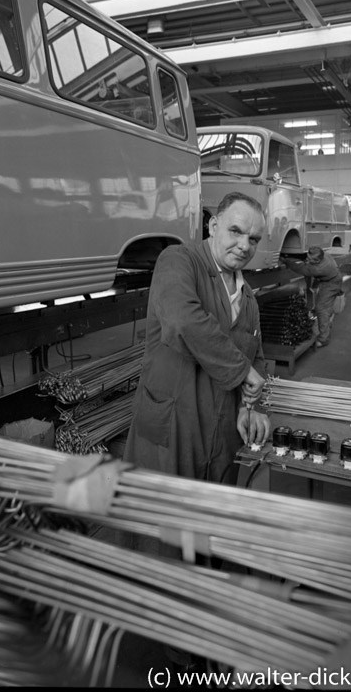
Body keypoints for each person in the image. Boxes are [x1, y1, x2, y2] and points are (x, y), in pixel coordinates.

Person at [123, 191, 271, 485]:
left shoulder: (248, 298)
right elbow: (182, 321)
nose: (244, 245)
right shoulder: (179, 261)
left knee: (207, 518)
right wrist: (241, 371)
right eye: (236, 231)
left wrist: (250, 408)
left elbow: (256, 358)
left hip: (222, 435)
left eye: (253, 239)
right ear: (213, 226)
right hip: (173, 428)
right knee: (157, 515)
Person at [283, 246, 343, 347]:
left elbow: (300, 268)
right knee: (323, 307)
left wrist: (286, 260)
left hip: (331, 284)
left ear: (317, 260)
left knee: (321, 309)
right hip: (329, 278)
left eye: (310, 260)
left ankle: (324, 339)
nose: (307, 260)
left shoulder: (319, 269)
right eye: (307, 257)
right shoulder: (323, 255)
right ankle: (326, 323)